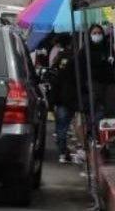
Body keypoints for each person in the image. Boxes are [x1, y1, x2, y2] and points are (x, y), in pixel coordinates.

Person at [49, 33, 81, 163]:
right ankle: (63, 151)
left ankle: (62, 151)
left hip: (60, 97)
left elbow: (53, 78)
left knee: (61, 126)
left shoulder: (58, 58)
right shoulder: (74, 57)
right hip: (71, 97)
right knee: (64, 125)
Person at [80, 23, 115, 127]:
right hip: (93, 85)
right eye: (94, 33)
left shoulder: (108, 47)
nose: (97, 35)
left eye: (99, 33)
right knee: (97, 112)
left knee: (111, 111)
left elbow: (114, 65)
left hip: (109, 84)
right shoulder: (85, 51)